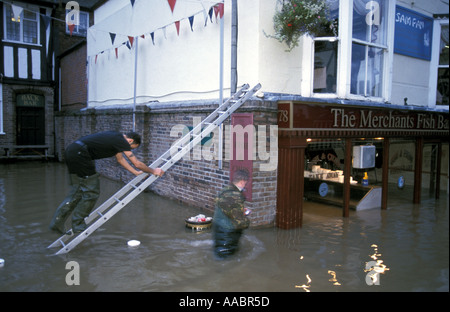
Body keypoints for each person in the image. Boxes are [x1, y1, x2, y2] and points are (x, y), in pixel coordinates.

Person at [49, 131, 164, 234]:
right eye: (132, 148)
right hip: (81, 155)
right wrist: (154, 170)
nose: (130, 150)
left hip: (72, 152)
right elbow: (137, 163)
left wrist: (135, 172)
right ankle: (78, 224)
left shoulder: (115, 137)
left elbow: (121, 159)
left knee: (77, 192)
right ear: (130, 141)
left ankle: (57, 222)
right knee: (91, 192)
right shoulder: (121, 141)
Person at [213, 169, 251, 259]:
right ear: (242, 182)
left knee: (220, 253)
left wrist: (240, 209)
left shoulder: (226, 189)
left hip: (218, 227)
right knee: (225, 259)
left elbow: (226, 207)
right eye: (246, 183)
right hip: (227, 232)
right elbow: (239, 221)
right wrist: (245, 218)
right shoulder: (235, 195)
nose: (245, 185)